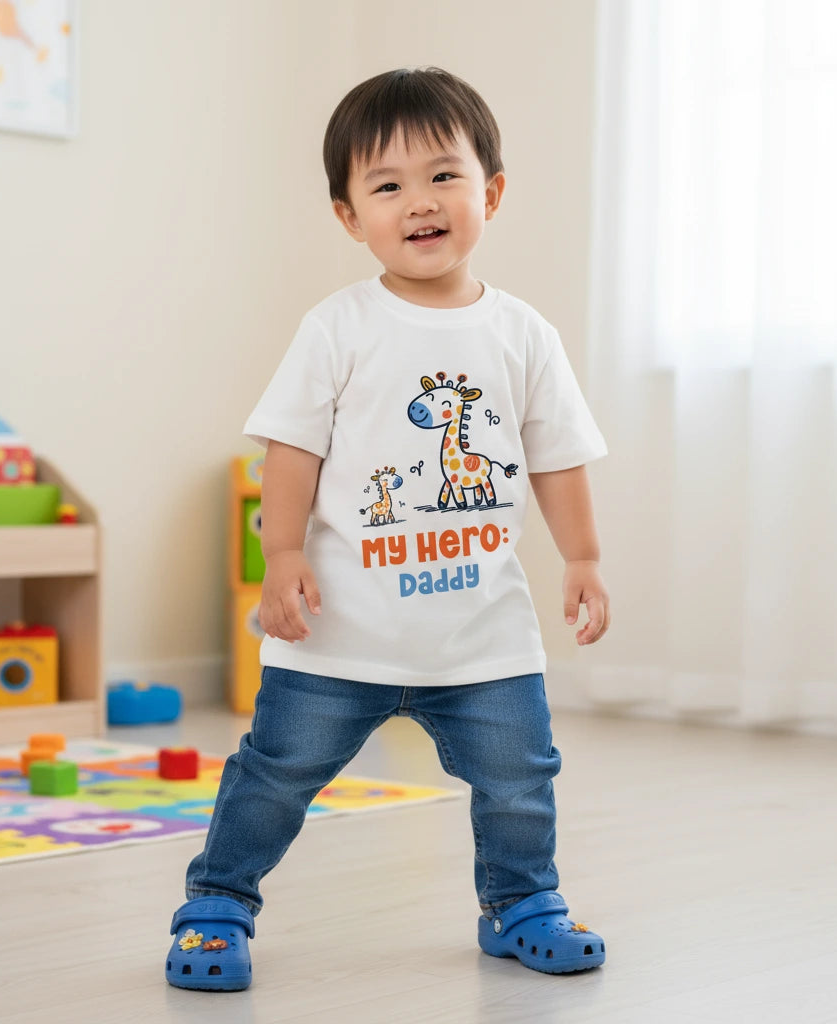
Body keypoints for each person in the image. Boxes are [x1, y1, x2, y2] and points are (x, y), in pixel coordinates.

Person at [165, 66, 609, 992]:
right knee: (275, 774)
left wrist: (584, 557)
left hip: (482, 634)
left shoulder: (523, 334)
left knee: (521, 776)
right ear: (348, 214)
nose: (420, 201)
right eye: (388, 184)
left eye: (444, 176)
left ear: (489, 192)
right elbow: (291, 449)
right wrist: (280, 553)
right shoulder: (338, 327)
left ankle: (521, 900)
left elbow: (555, 453)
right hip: (340, 636)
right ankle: (218, 900)